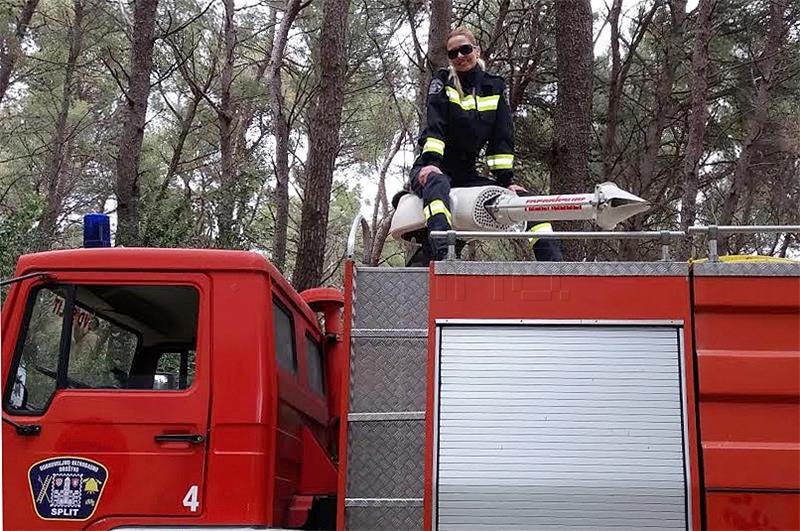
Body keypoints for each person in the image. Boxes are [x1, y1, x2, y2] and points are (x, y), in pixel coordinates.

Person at [409, 27, 562, 263]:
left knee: (526, 201)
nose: (460, 56)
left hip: (466, 175)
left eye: (465, 49)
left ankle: (554, 265)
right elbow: (435, 126)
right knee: (438, 184)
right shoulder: (442, 81)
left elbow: (502, 139)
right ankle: (443, 255)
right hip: (432, 169)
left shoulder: (494, 87)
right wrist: (431, 164)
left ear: (477, 50)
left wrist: (507, 182)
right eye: (453, 53)